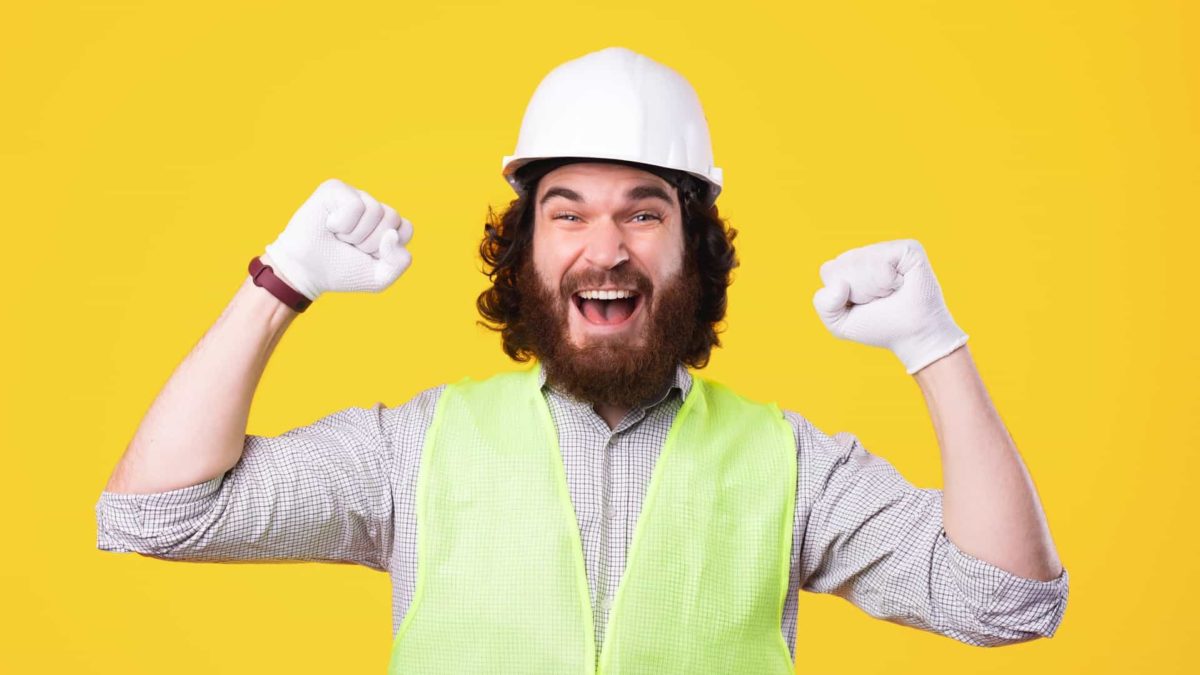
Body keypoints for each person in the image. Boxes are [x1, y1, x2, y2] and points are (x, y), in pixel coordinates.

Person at [95, 47, 1069, 673]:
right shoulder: (416, 450)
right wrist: (281, 283)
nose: (606, 249)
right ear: (527, 253)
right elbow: (157, 511)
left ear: (696, 251)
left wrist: (934, 349)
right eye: (568, 213)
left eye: (645, 212)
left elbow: (1007, 601)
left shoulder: (794, 464)